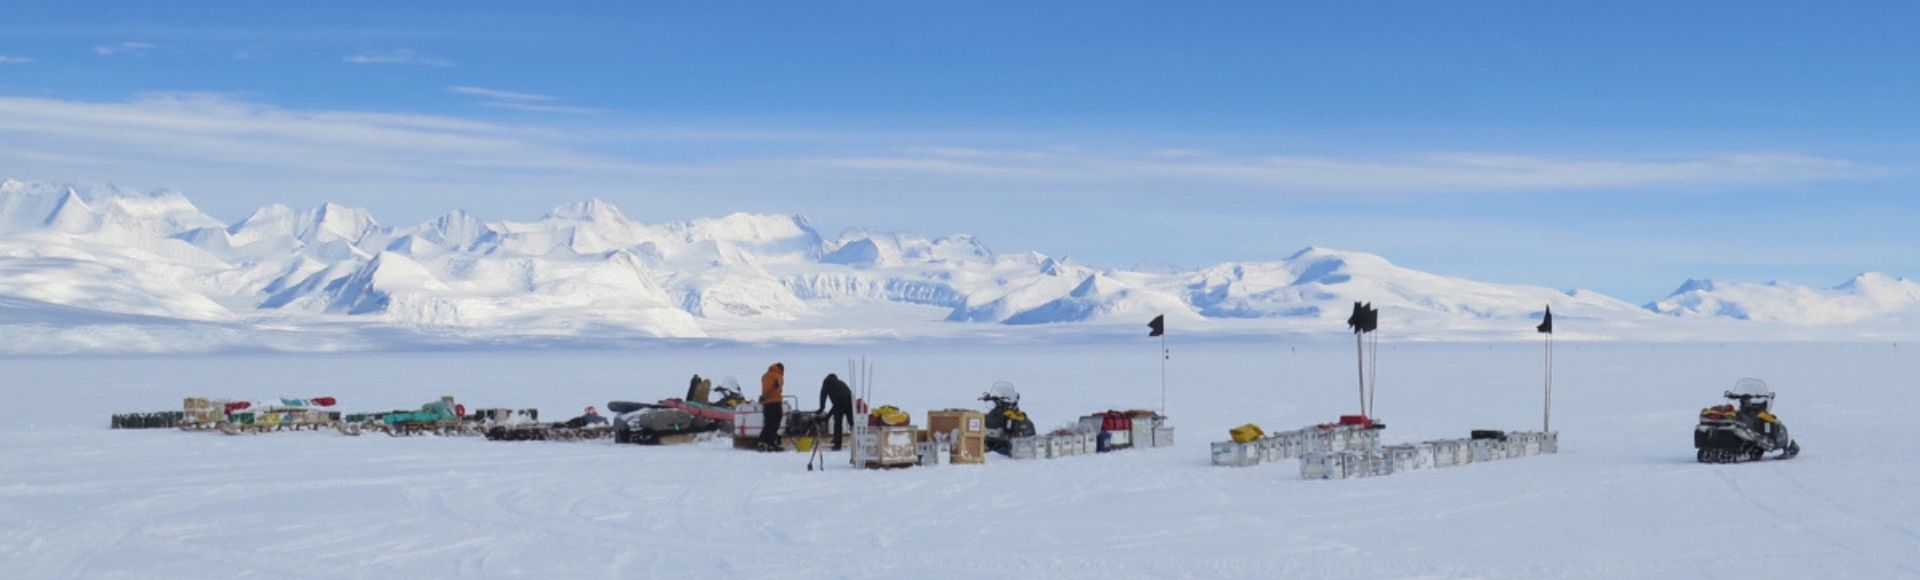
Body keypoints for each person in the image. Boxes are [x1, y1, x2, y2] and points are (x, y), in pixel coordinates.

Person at [817, 373, 854, 451]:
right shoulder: (840, 383)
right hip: (850, 400)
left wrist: (821, 409)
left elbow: (823, 396)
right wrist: (828, 416)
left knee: (838, 423)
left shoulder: (826, 383)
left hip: (840, 401)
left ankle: (837, 445)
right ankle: (858, 442)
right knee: (852, 423)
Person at [757, 363, 785, 451]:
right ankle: (770, 443)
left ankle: (762, 441)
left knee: (768, 423)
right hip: (775, 402)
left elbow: (766, 389)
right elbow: (776, 389)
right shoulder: (777, 376)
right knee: (775, 423)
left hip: (766, 404)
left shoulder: (765, 376)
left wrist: (764, 397)